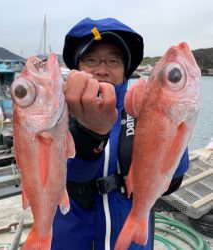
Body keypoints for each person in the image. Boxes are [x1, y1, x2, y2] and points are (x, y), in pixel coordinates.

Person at [51, 17, 189, 250]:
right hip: (71, 239)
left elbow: (173, 181)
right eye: (91, 59)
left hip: (133, 239)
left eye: (113, 61)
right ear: (77, 67)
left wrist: (171, 123)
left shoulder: (142, 109)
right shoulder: (55, 112)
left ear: (126, 71)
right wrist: (89, 133)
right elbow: (61, 176)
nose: (102, 69)